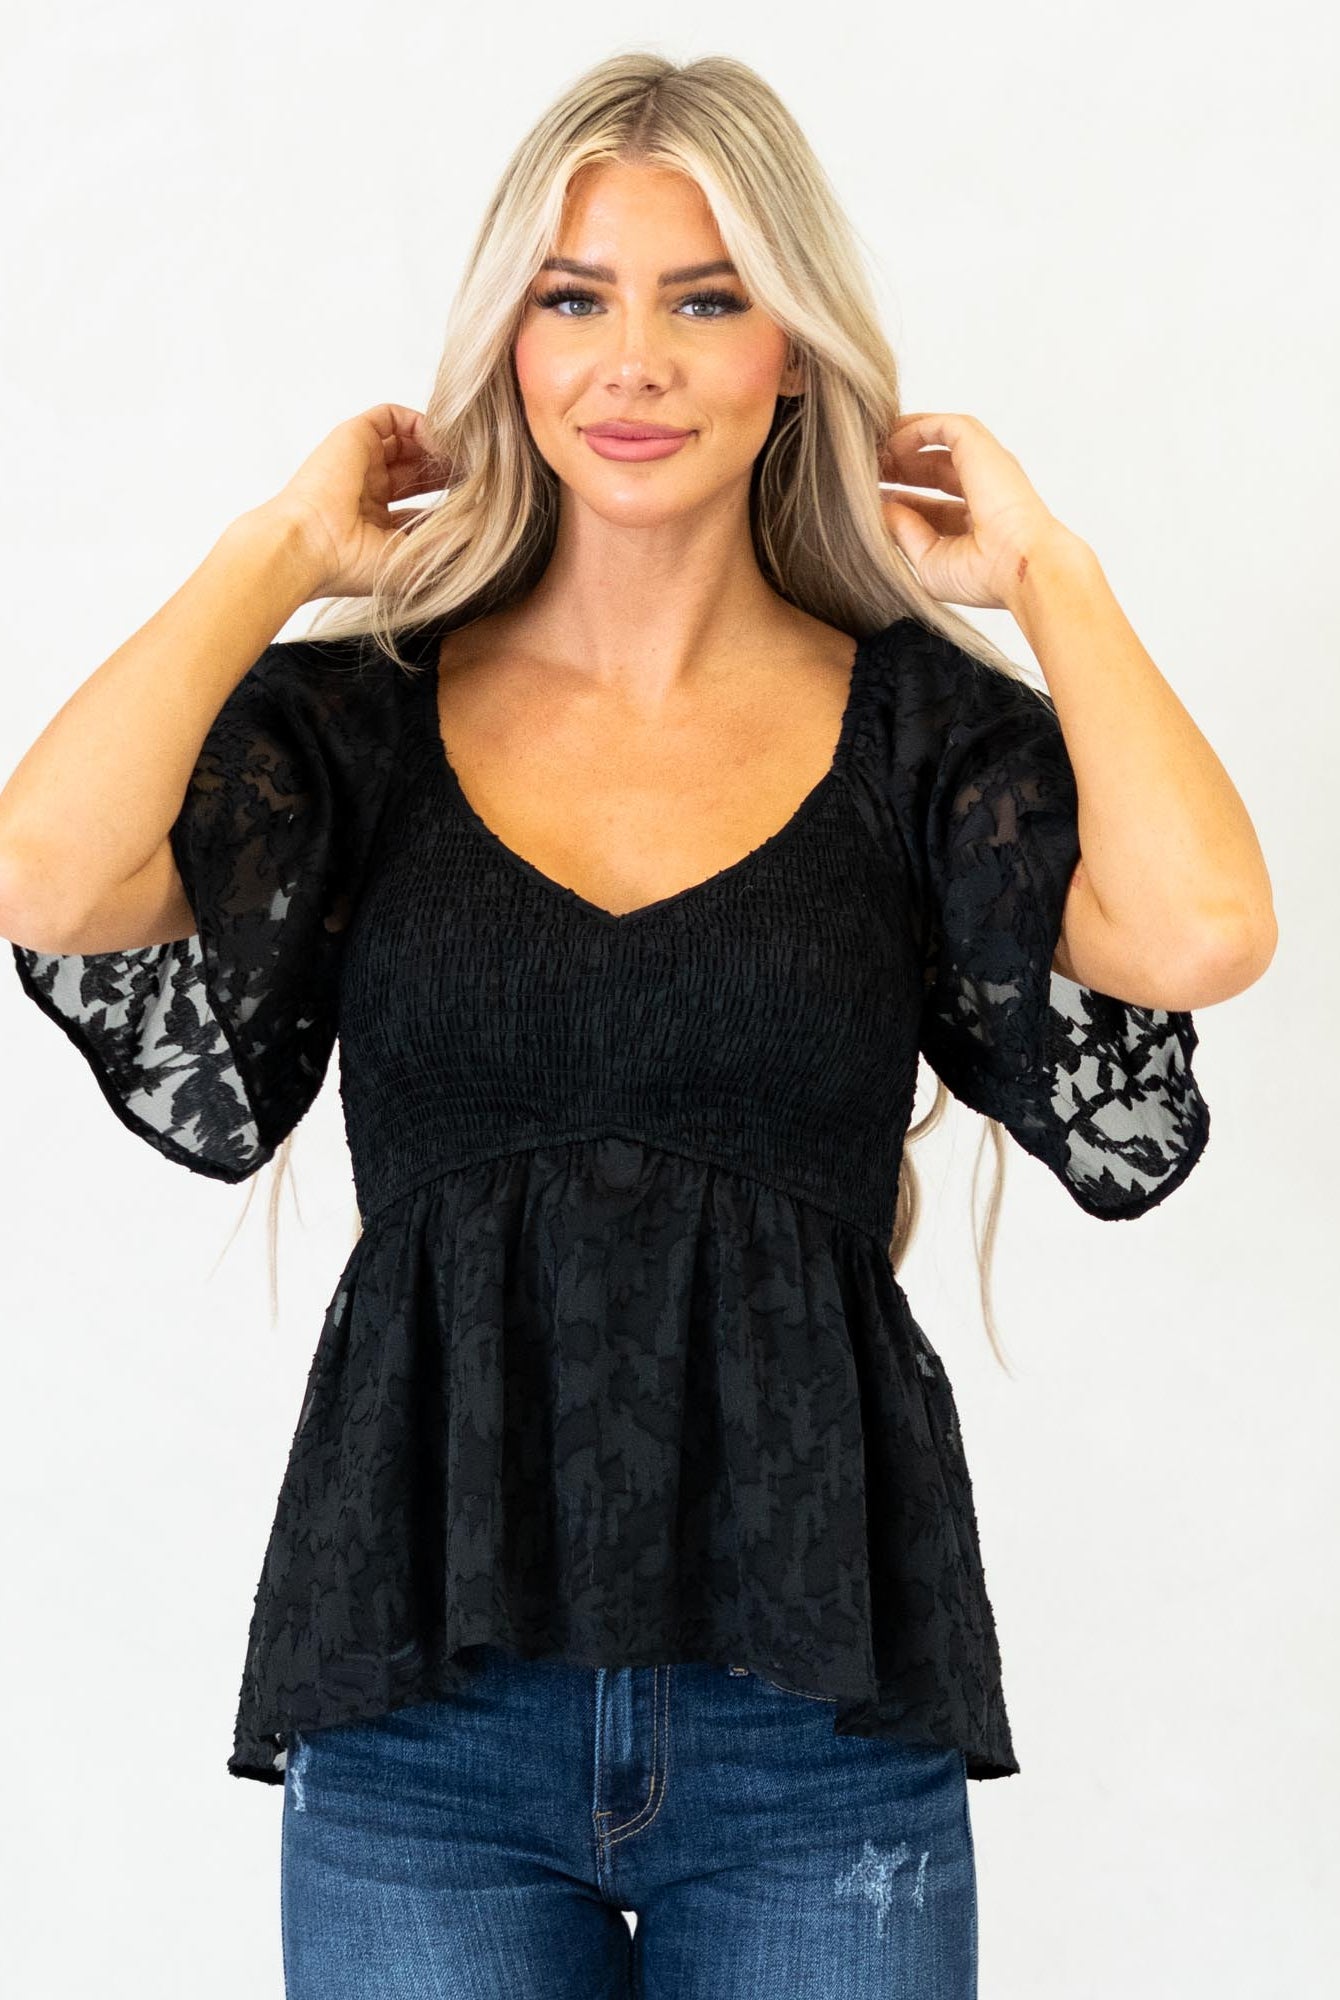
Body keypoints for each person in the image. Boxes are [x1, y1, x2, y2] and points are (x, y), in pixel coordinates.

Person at [0, 49, 1272, 2000]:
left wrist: (1048, 575)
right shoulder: (363, 724)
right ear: (507, 340)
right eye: (575, 297)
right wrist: (280, 550)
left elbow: (1199, 931)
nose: (635, 363)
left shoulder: (917, 739)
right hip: (420, 1715)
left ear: (794, 353)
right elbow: (46, 873)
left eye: (706, 299)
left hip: (814, 1727)